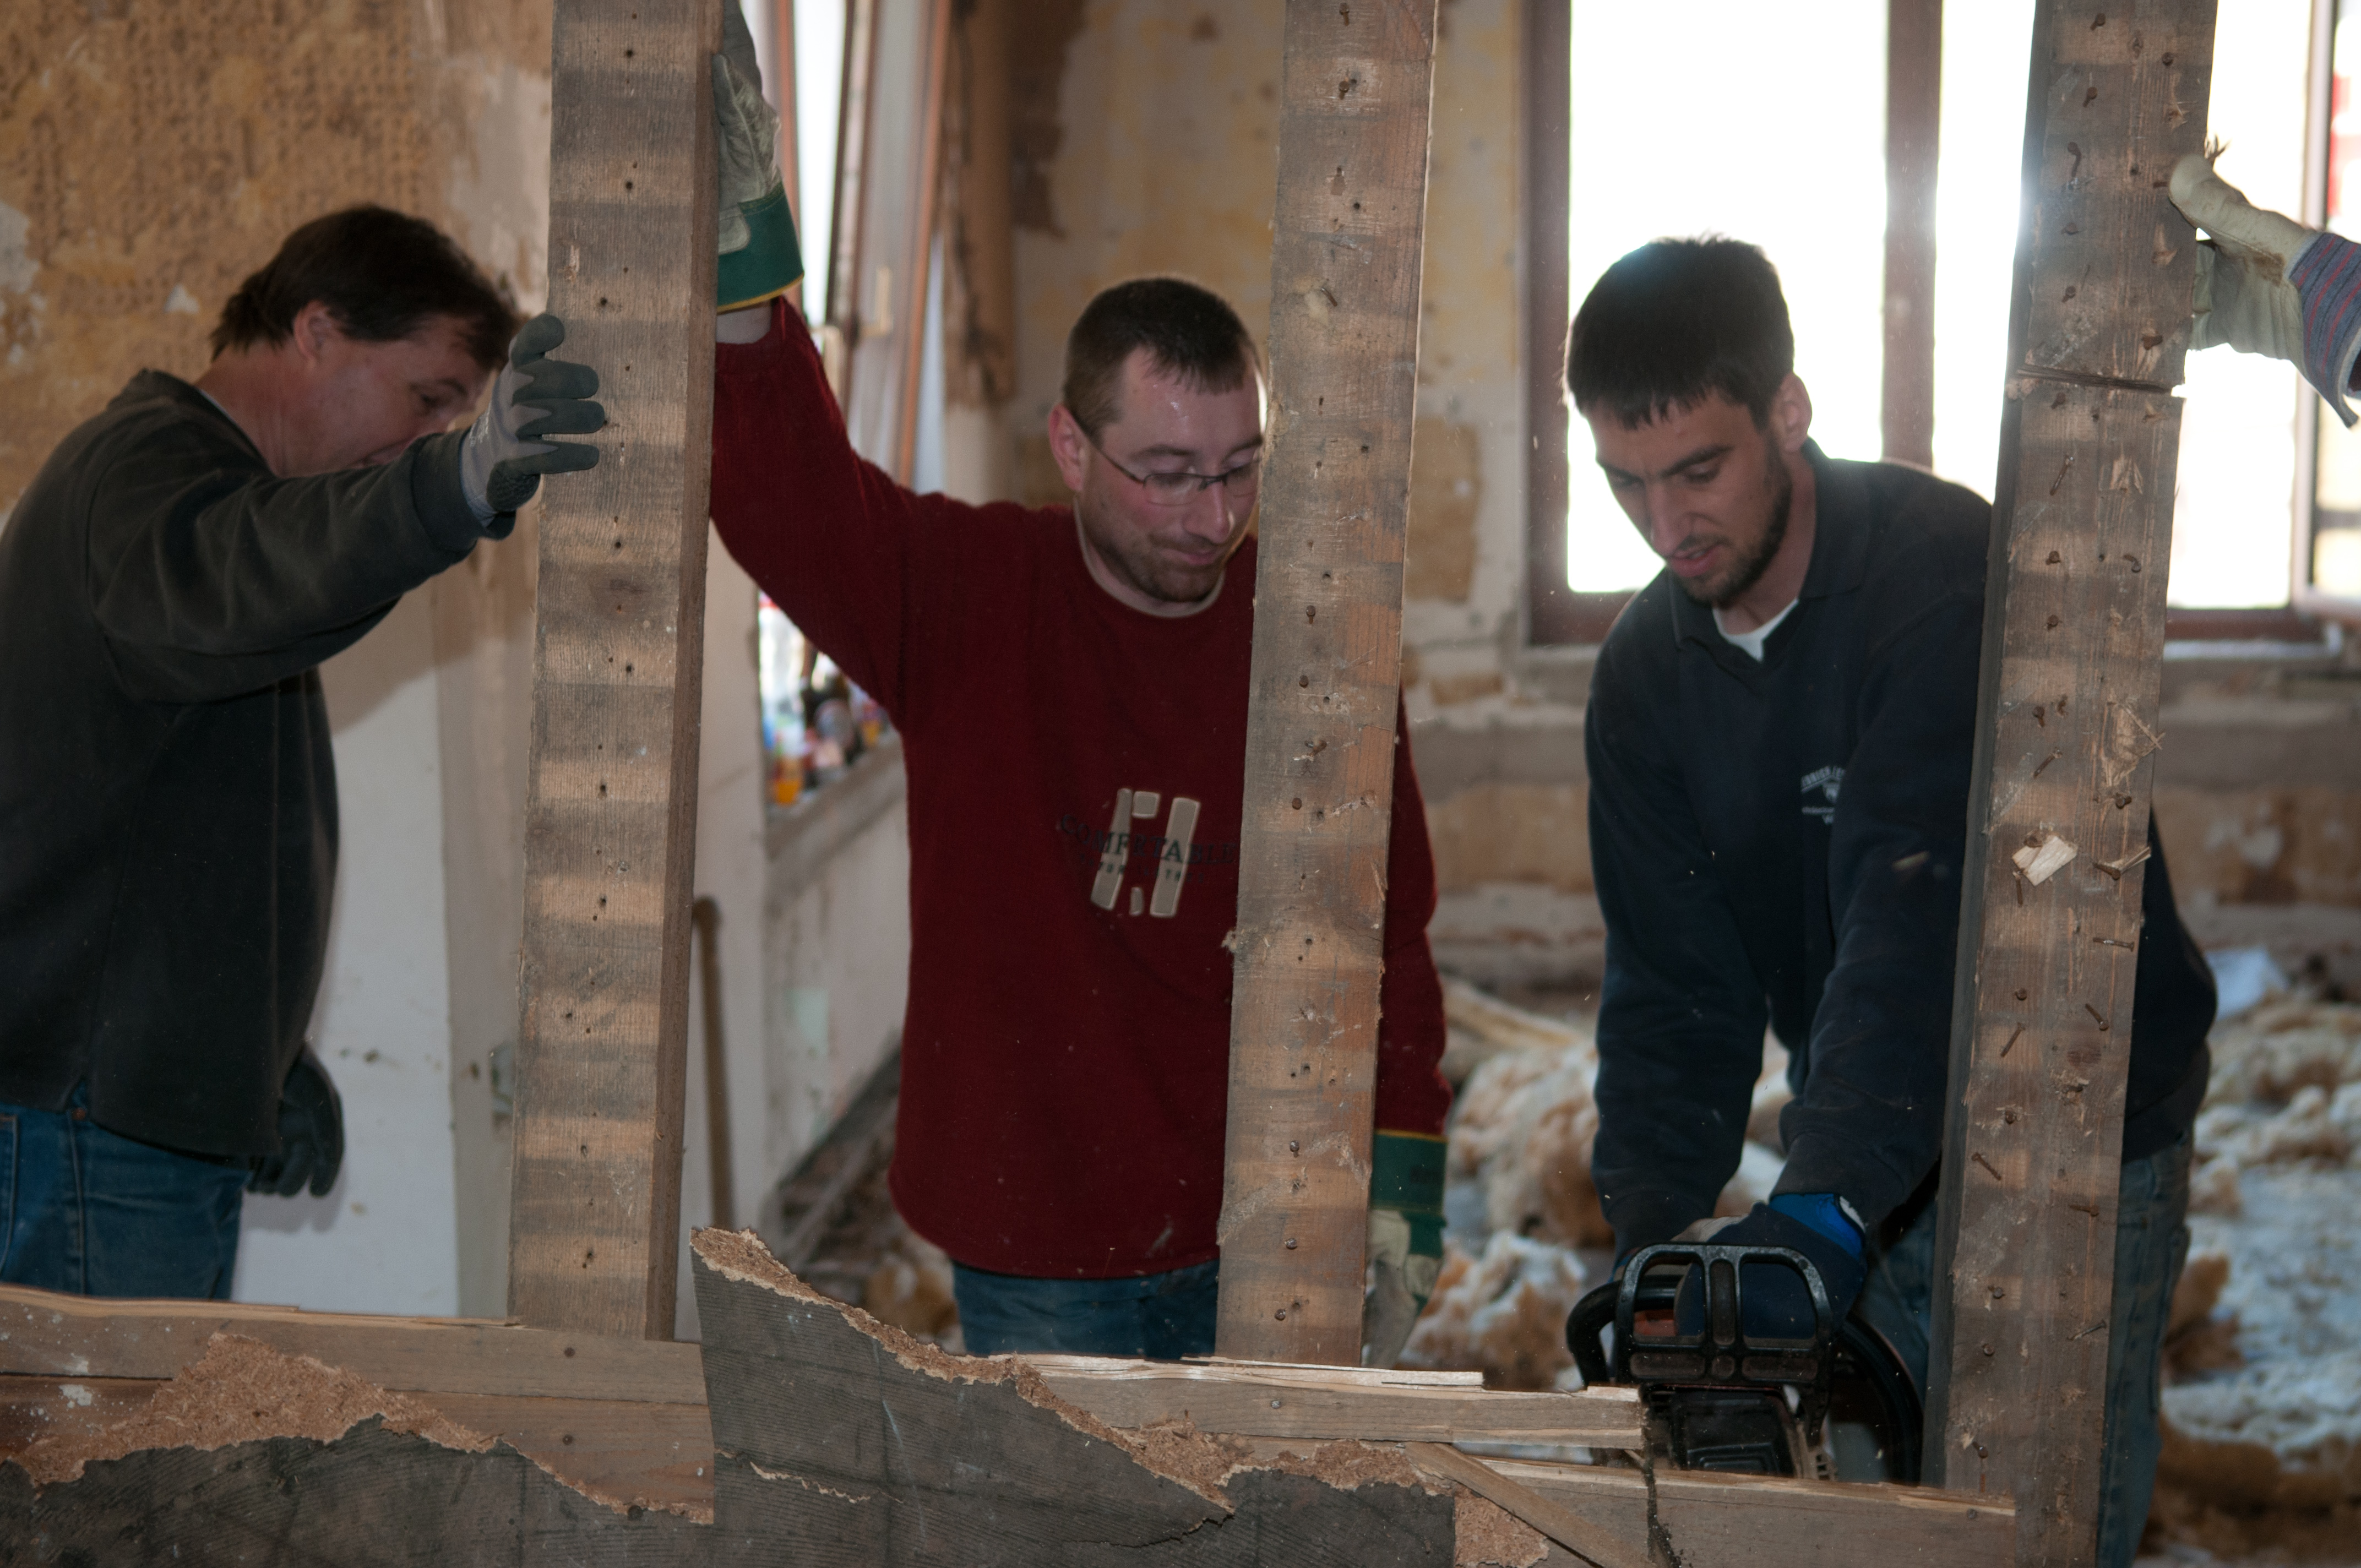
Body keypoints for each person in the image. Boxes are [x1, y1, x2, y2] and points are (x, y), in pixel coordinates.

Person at [701, 10, 1451, 1362]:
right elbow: (784, 493)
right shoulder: (971, 595)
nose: (1209, 515)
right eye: (1165, 472)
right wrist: (742, 275)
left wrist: (1401, 1171)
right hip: (1034, 1224)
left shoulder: (1309, 636)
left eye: (1238, 467)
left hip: (1259, 1209)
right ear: (1069, 445)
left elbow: (1387, 917)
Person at [1567, 237, 2217, 1561]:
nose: (1665, 522)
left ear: (1786, 411)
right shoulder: (1644, 674)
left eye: (1697, 470)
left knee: (2039, 1526)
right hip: (1865, 1129)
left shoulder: (1950, 579)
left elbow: (1915, 918)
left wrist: (1822, 1208)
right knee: (1870, 1522)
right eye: (1625, 482)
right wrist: (1648, 1246)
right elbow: (1672, 990)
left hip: (2073, 1114)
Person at [0, 205, 604, 1299]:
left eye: (455, 416)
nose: (428, 433)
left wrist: (258, 1049)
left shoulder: (205, 494)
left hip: (116, 1110)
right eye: (428, 397)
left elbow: (165, 820)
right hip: (87, 1122)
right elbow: (260, 569)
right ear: (317, 331)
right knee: (102, 1423)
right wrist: (456, 480)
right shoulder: (145, 471)